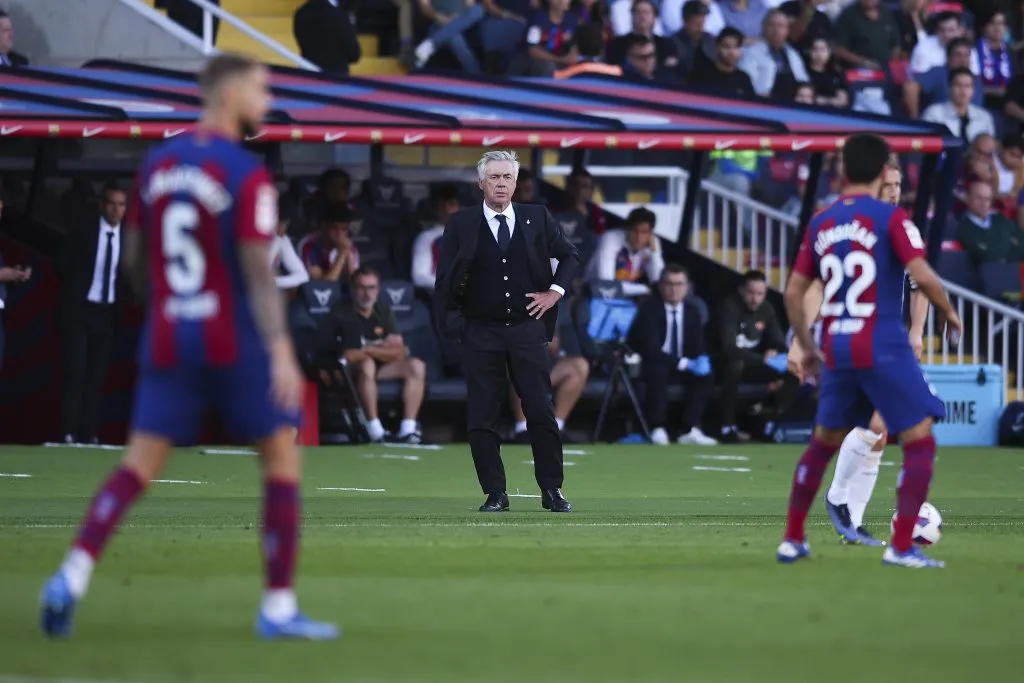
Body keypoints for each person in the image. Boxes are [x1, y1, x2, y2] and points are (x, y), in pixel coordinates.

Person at [39, 54, 338, 639]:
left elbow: (134, 261)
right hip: (233, 339)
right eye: (259, 89)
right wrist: (278, 348)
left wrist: (170, 312)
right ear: (228, 95)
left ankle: (70, 576)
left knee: (139, 466)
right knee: (281, 459)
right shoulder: (245, 173)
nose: (266, 100)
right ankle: (277, 607)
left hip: (172, 334)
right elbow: (257, 267)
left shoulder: (157, 165)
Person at [778, 133, 961, 569]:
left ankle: (793, 539)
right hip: (880, 341)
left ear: (843, 170)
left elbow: (794, 291)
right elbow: (924, 277)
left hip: (836, 344)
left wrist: (804, 343)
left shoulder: (822, 222)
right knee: (919, 441)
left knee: (822, 443)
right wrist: (949, 314)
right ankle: (901, 546)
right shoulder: (890, 220)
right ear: (883, 174)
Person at [788, 156, 930, 546]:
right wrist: (801, 340)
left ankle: (853, 523)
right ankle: (837, 500)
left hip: (885, 342)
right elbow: (815, 287)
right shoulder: (843, 224)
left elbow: (919, 287)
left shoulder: (901, 226)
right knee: (880, 423)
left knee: (879, 434)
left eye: (899, 184)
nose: (895, 191)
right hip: (849, 339)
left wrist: (916, 332)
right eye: (889, 183)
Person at [434, 150, 580, 513]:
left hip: (527, 330)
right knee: (482, 415)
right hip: (480, 331)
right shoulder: (460, 223)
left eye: (508, 178)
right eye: (495, 177)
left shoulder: (538, 217)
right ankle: (495, 493)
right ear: (481, 183)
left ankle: (552, 490)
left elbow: (570, 256)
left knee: (541, 410)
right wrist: (456, 329)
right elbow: (444, 282)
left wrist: (554, 293)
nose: (502, 184)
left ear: (516, 183)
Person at [54, 183, 128, 445]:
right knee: (75, 372)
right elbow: (62, 264)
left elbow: (128, 277)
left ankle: (89, 434)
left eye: (121, 205)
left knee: (97, 377)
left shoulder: (129, 237)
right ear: (101, 204)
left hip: (106, 313)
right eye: (111, 203)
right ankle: (68, 433)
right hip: (80, 310)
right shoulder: (84, 231)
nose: (116, 210)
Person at [628, 264, 717, 446]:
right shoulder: (649, 310)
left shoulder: (693, 312)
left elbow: (698, 346)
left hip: (680, 364)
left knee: (705, 374)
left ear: (687, 287)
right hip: (654, 363)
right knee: (658, 369)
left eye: (679, 284)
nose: (674, 289)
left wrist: (700, 359)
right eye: (669, 283)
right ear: (660, 286)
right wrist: (684, 363)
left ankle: (689, 428)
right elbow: (650, 350)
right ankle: (657, 427)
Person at [338, 267, 427, 444]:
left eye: (371, 288)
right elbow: (350, 355)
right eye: (362, 288)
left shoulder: (384, 312)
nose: (366, 294)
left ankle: (408, 430)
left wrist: (369, 349)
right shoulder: (342, 313)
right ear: (353, 290)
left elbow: (400, 351)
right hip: (349, 372)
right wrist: (380, 348)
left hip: (381, 367)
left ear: (378, 290)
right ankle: (375, 431)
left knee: (416, 366)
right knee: (367, 364)